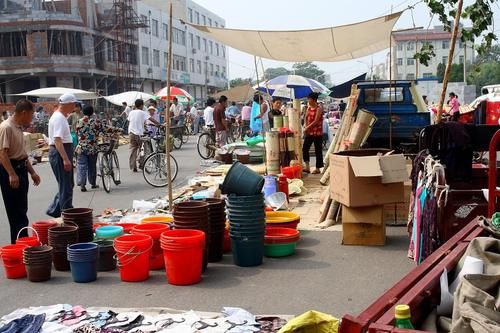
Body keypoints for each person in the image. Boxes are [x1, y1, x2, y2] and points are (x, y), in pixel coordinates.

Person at [0, 99, 41, 243]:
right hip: (10, 170)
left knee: (22, 210)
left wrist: (32, 172)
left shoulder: (18, 127)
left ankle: (22, 242)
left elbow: (22, 154)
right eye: (31, 114)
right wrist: (11, 174)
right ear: (24, 113)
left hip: (21, 168)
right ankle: (18, 244)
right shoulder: (6, 127)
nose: (32, 117)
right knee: (15, 213)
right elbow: (2, 154)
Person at [46, 93, 77, 218]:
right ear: (68, 104)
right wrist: (65, 159)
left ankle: (57, 210)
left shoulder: (60, 116)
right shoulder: (59, 118)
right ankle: (66, 213)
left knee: (67, 184)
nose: (74, 106)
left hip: (62, 151)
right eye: (74, 104)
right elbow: (57, 140)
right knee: (66, 186)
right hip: (60, 152)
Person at [76, 105, 108, 192]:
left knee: (82, 166)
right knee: (92, 166)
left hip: (81, 147)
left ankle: (82, 184)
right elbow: (104, 130)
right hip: (93, 148)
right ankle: (93, 183)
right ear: (92, 112)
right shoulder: (97, 122)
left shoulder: (79, 121)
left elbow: (77, 133)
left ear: (83, 112)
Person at [128, 99, 160, 172]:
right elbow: (151, 119)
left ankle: (133, 167)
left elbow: (131, 121)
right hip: (139, 134)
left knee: (133, 150)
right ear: (142, 105)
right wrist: (159, 124)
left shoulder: (131, 112)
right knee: (143, 149)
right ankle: (141, 163)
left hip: (131, 133)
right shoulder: (143, 112)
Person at [303, 92, 324, 174]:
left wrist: (307, 127)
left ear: (314, 99)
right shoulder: (308, 108)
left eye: (309, 99)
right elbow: (305, 117)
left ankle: (318, 168)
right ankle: (307, 167)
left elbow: (316, 121)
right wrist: (305, 125)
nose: (308, 100)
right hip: (309, 132)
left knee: (318, 150)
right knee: (305, 148)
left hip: (318, 133)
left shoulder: (319, 108)